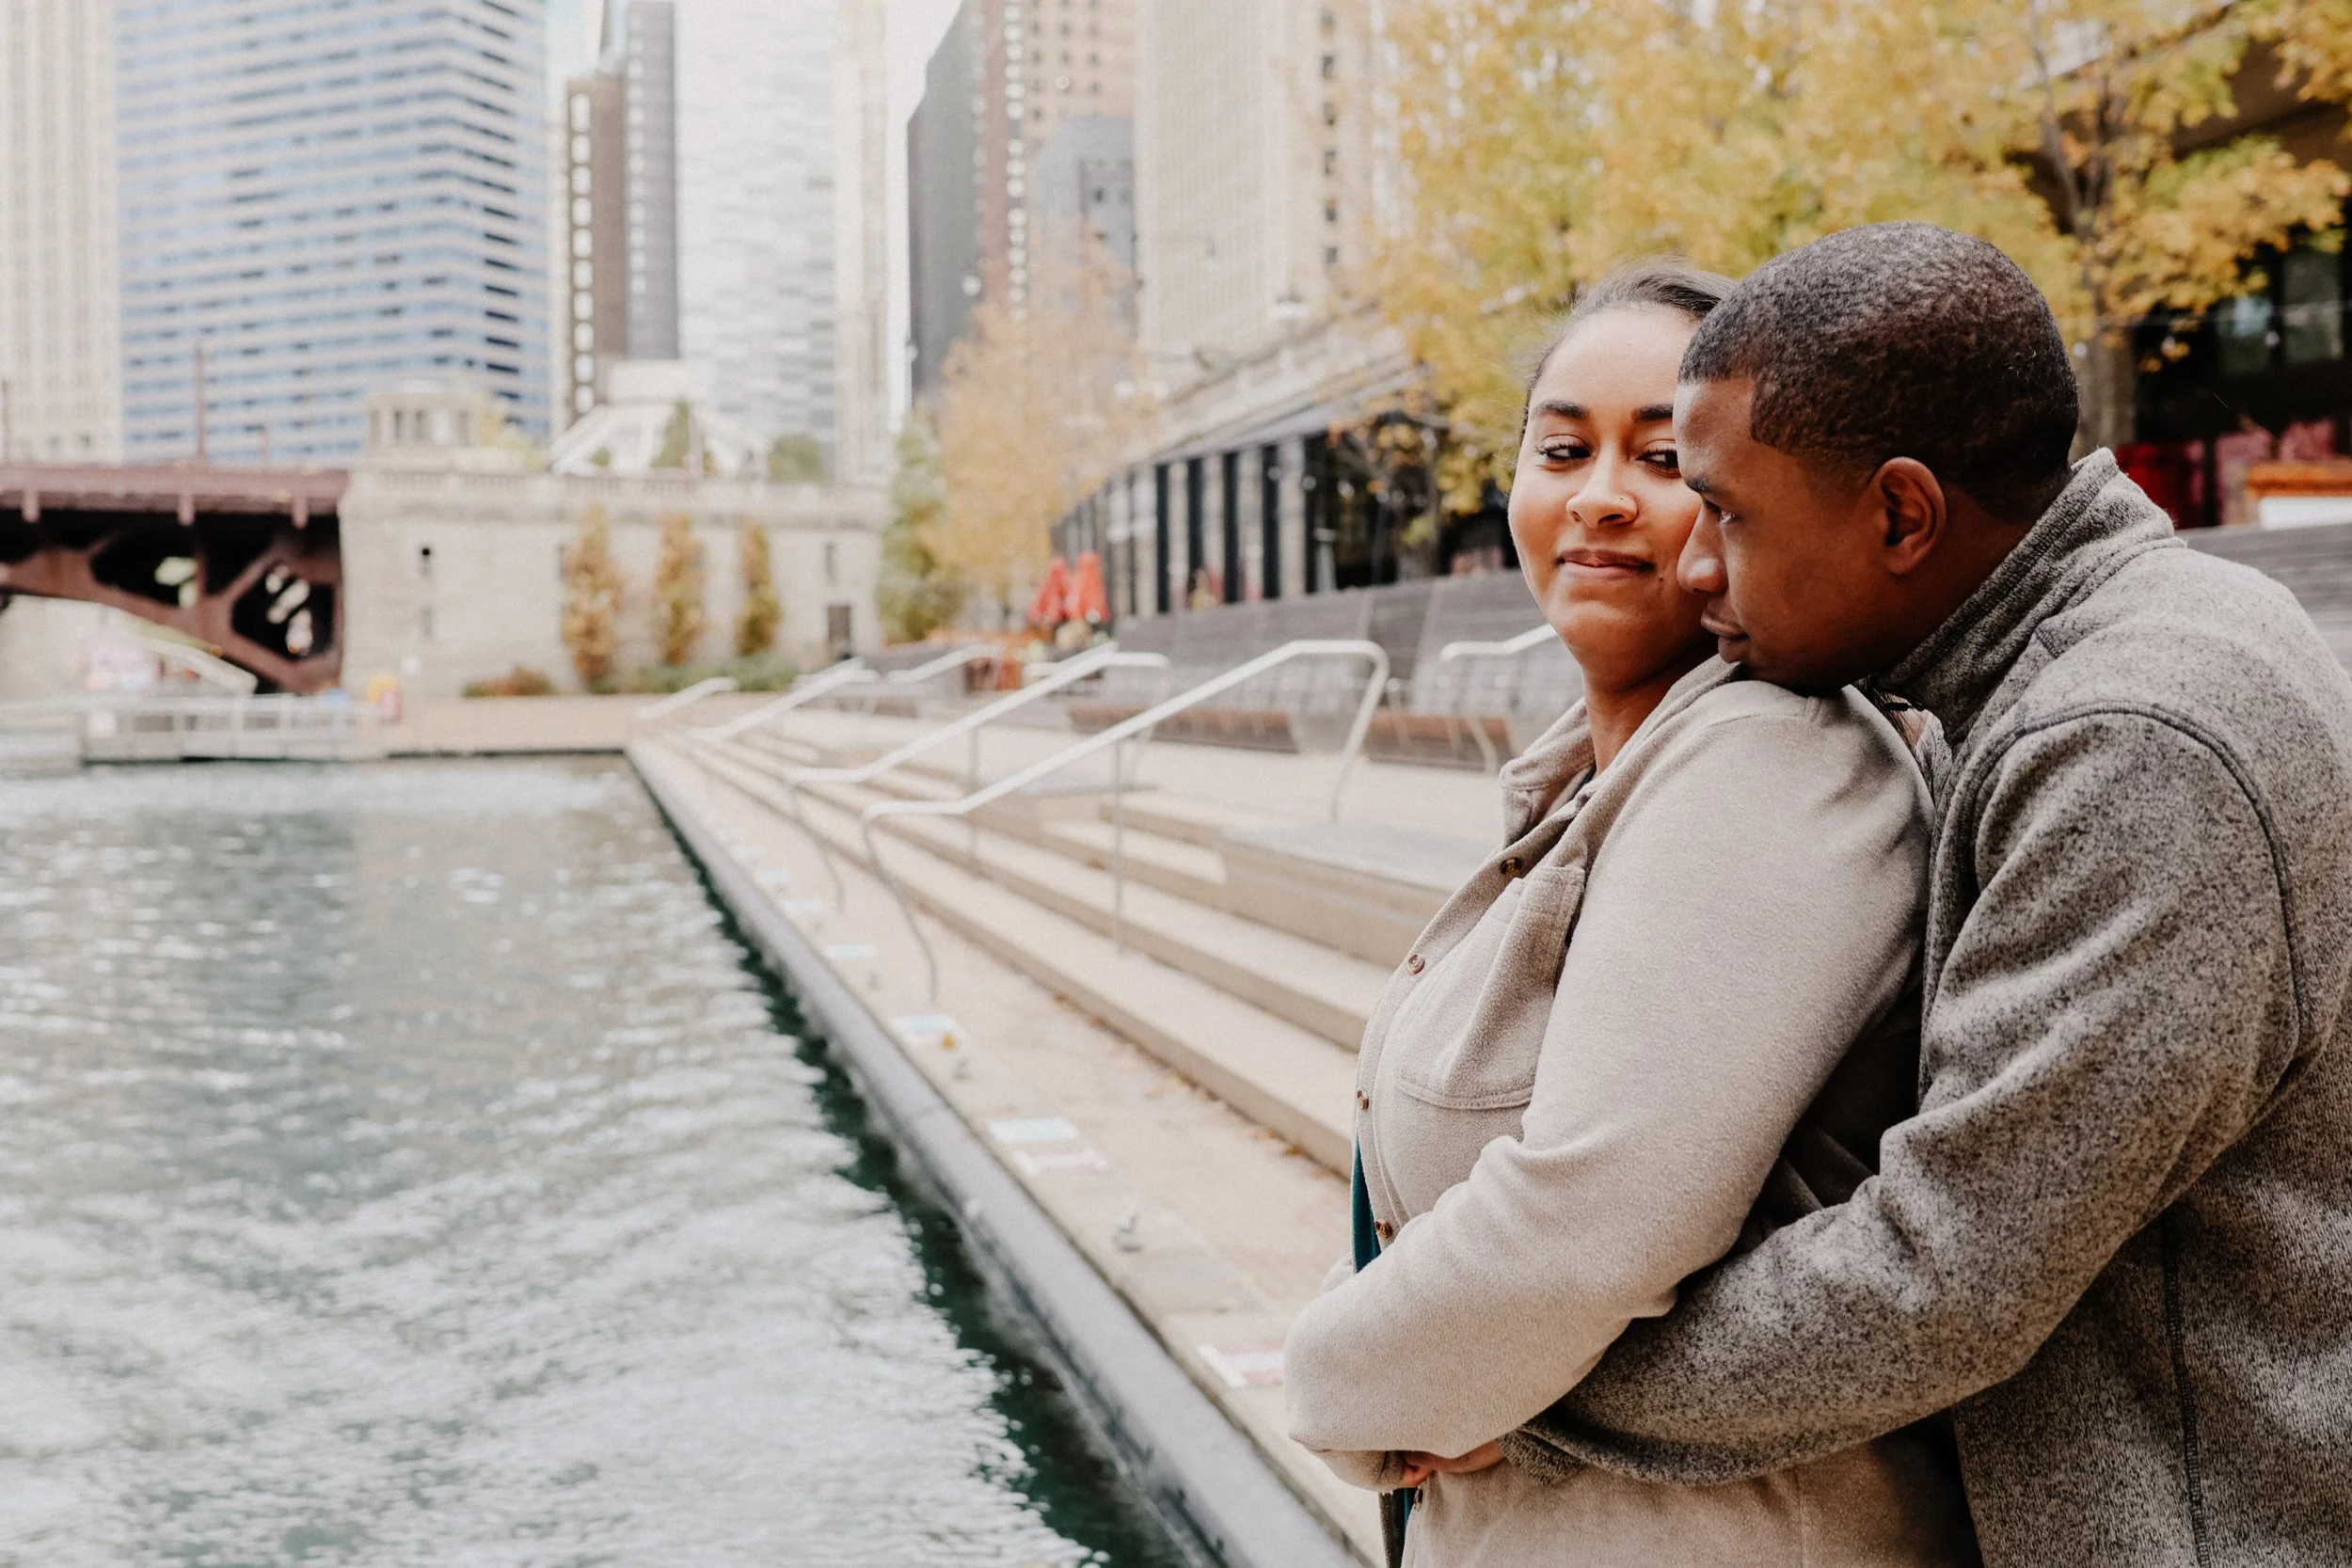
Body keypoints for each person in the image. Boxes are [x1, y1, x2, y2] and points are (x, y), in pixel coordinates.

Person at [1485, 224, 2352, 1567]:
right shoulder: (2094, 657)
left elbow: (1942, 1274)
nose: (1698, 563)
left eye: (1725, 508)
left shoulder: (2129, 736)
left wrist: (1520, 1386)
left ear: (1900, 513)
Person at [1281, 262, 1979, 1566]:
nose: (1599, 493)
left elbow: (1584, 1223)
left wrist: (1330, 1382)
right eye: (1562, 447)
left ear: (1744, 502)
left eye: (1663, 458)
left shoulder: (1776, 762)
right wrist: (1428, 1366)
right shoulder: (1595, 777)